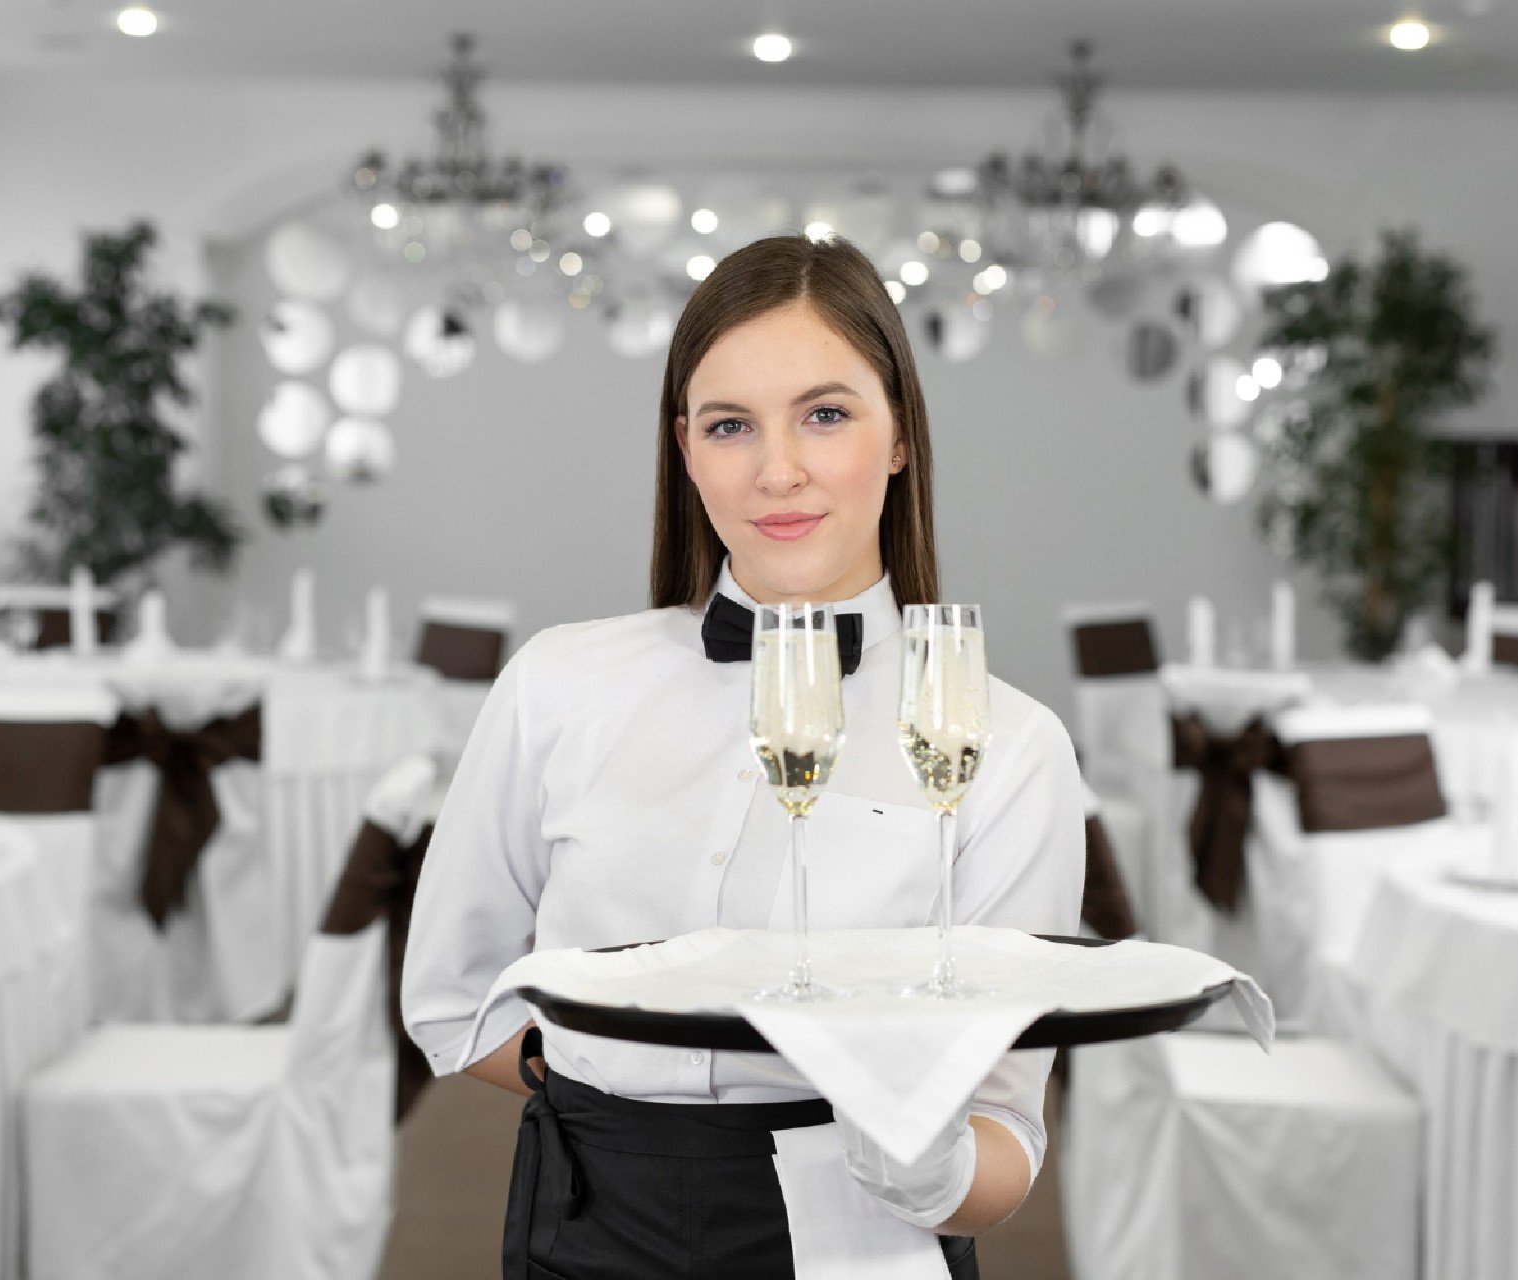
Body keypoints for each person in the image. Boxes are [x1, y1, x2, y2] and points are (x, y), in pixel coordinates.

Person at [401, 234, 1085, 1279]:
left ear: (899, 434)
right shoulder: (559, 682)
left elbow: (1007, 1130)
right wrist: (604, 1078)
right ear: (685, 448)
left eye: (825, 413)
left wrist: (922, 1160)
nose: (778, 469)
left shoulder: (1014, 745)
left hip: (859, 1239)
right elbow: (453, 999)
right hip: (588, 1218)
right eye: (731, 425)